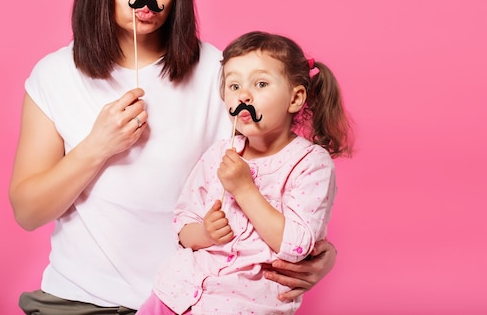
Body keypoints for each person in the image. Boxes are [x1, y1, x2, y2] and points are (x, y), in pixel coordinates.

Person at [9, 0, 337, 315]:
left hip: (196, 300)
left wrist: (320, 253)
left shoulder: (221, 75)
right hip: (79, 300)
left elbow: (274, 181)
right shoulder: (55, 75)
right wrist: (97, 145)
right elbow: (27, 211)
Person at [137, 31, 353, 315]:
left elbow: (297, 246)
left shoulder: (311, 163)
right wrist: (205, 233)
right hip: (174, 294)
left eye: (260, 83)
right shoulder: (219, 153)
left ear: (296, 97)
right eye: (234, 85)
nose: (244, 95)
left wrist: (244, 189)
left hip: (241, 306)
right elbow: (183, 222)